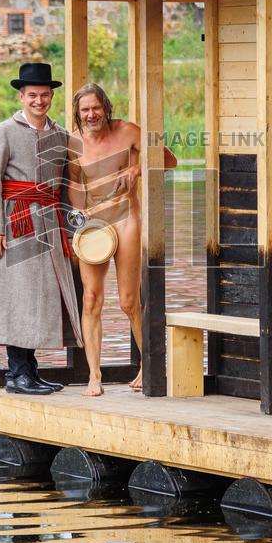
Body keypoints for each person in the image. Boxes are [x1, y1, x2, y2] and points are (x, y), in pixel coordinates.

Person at [0, 62, 82, 395]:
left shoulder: (60, 135)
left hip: (49, 223)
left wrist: (71, 228)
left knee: (39, 298)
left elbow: (64, 187)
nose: (39, 100)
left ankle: (29, 372)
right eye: (33, 95)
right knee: (17, 297)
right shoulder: (2, 132)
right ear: (21, 96)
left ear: (51, 96)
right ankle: (17, 374)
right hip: (16, 223)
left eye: (44, 95)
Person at [67, 84, 177, 397]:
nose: (91, 114)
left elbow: (170, 161)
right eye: (85, 110)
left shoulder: (128, 131)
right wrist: (78, 214)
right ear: (78, 113)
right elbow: (73, 184)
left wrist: (139, 167)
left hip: (126, 218)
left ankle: (149, 365)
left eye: (96, 108)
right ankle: (94, 375)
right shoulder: (74, 143)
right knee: (91, 298)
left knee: (129, 301)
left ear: (106, 107)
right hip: (94, 224)